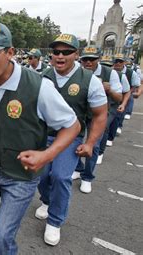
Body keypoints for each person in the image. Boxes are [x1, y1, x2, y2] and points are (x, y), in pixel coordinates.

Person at [0, 22, 80, 254]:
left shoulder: (38, 87)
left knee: (2, 236)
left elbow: (72, 126)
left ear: (10, 53)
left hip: (21, 176)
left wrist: (46, 155)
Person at [37, 36, 107, 246]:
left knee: (60, 176)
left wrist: (90, 143)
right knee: (40, 176)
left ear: (76, 54)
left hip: (71, 138)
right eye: (56, 52)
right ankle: (47, 200)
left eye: (66, 52)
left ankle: (55, 220)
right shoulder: (44, 76)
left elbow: (100, 114)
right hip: (43, 136)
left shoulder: (89, 80)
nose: (60, 56)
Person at [72, 46, 122, 193]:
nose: (88, 62)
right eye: (85, 59)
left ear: (98, 59)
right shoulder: (76, 71)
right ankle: (77, 168)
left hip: (98, 114)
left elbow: (119, 97)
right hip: (80, 113)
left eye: (92, 59)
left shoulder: (110, 73)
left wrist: (110, 90)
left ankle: (87, 178)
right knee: (72, 142)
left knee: (93, 145)